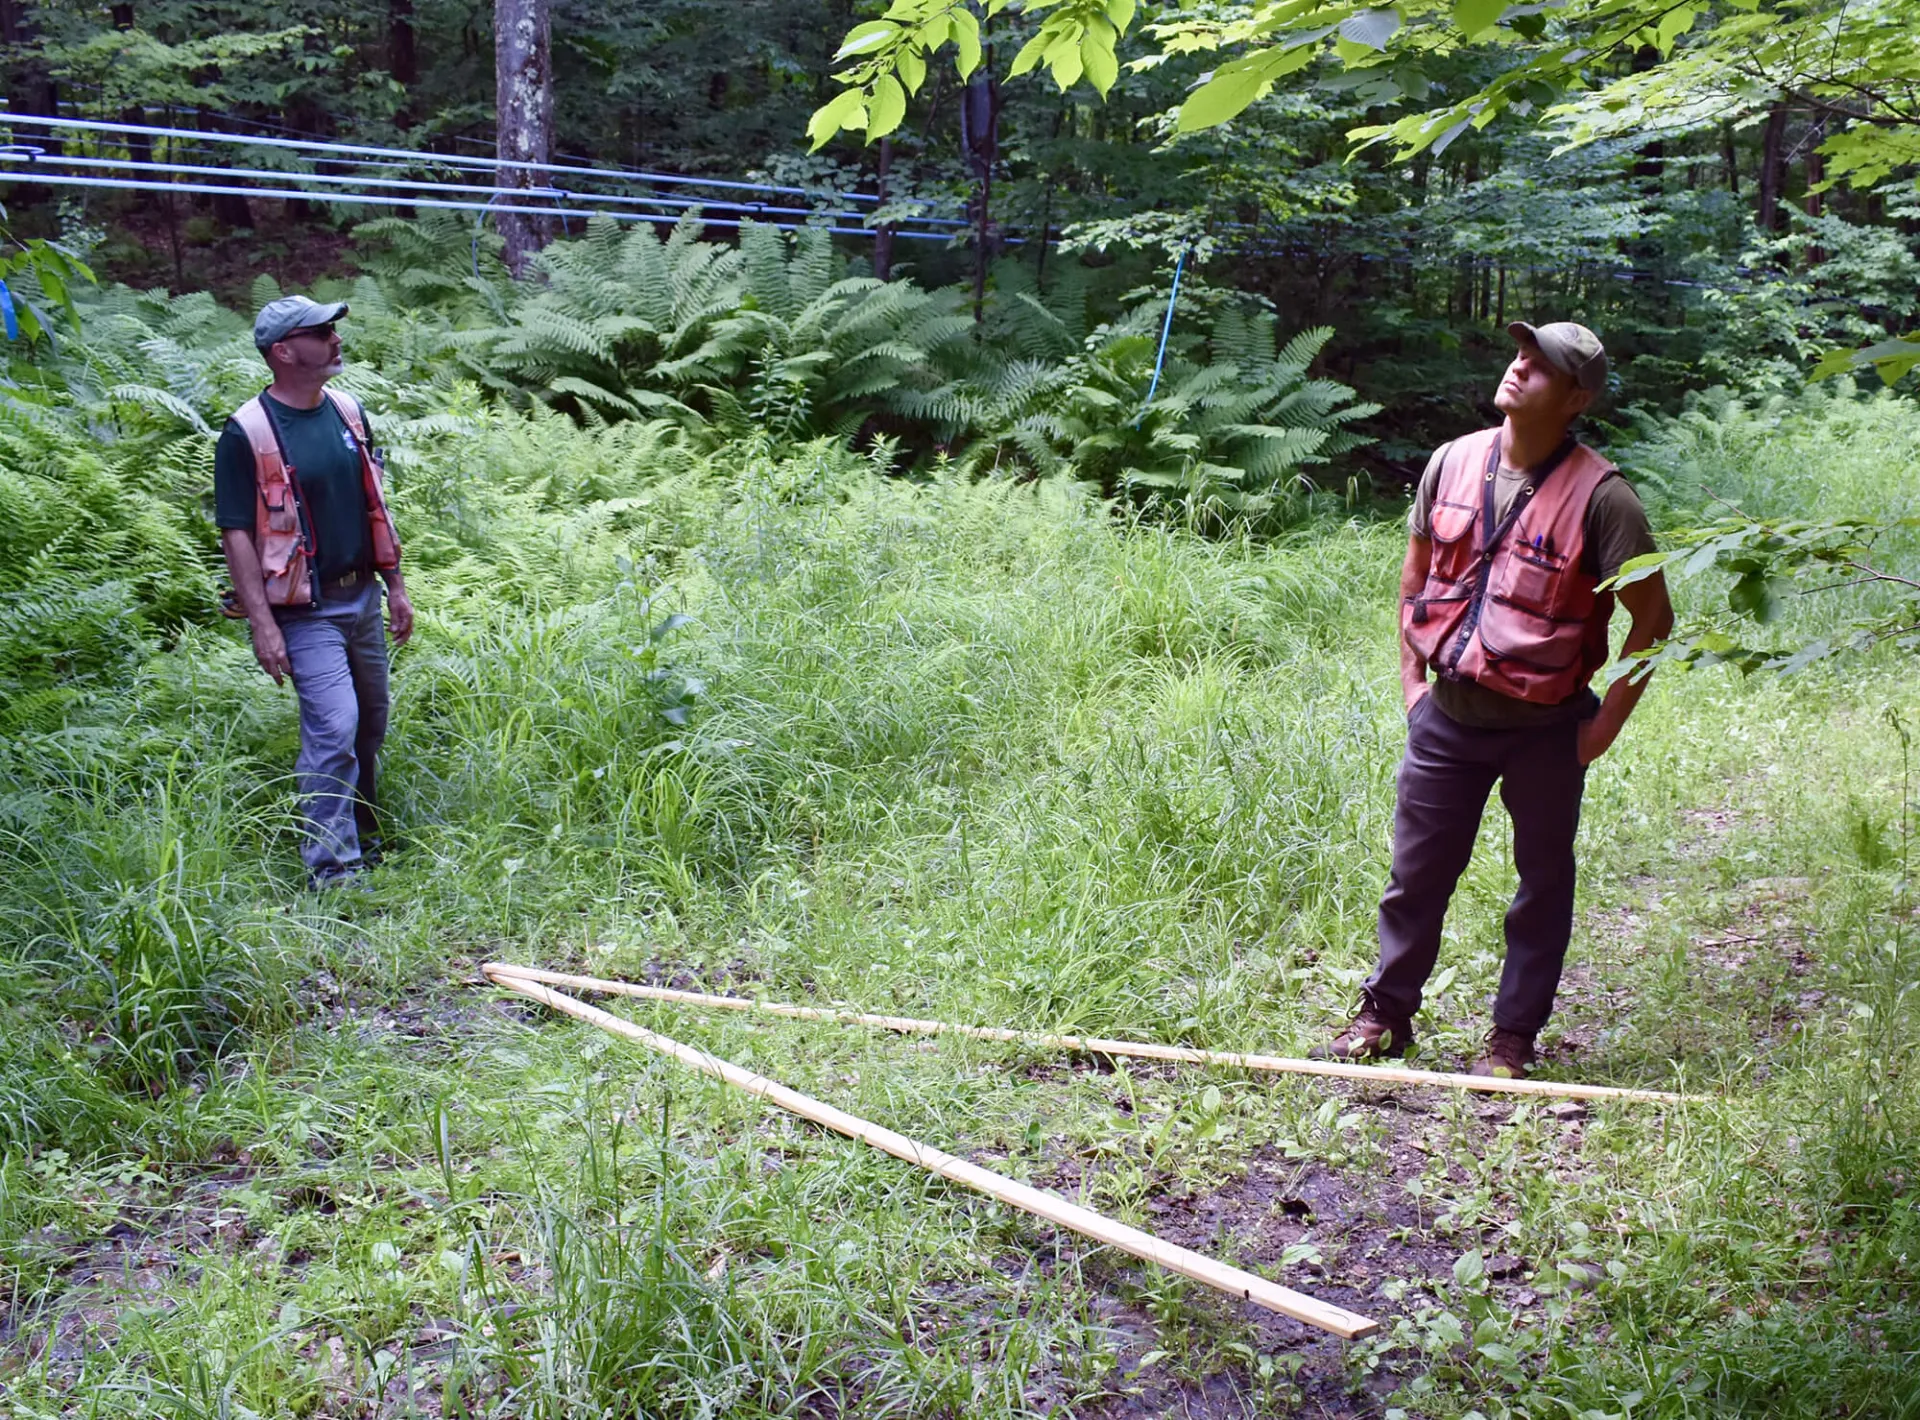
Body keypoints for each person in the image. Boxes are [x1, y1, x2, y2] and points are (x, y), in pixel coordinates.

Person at [1316, 321, 1674, 1078]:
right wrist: (1415, 689)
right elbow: (1414, 580)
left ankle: (1512, 1039)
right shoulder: (1450, 463)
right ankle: (1384, 1017)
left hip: (1547, 729)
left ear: (1576, 397)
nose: (1519, 369)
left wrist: (1602, 728)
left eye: (1542, 368)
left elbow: (1655, 620)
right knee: (1416, 877)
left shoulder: (1606, 500)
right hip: (1447, 715)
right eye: (1521, 355)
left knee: (1541, 886)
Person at [215, 295, 413, 888]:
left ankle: (366, 833)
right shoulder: (246, 433)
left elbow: (375, 505)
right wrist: (262, 624)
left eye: (333, 329)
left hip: (362, 599)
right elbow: (238, 535)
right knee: (334, 728)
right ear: (283, 352)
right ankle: (333, 871)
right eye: (320, 331)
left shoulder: (348, 410)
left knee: (370, 724)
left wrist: (395, 585)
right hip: (305, 610)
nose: (335, 339)